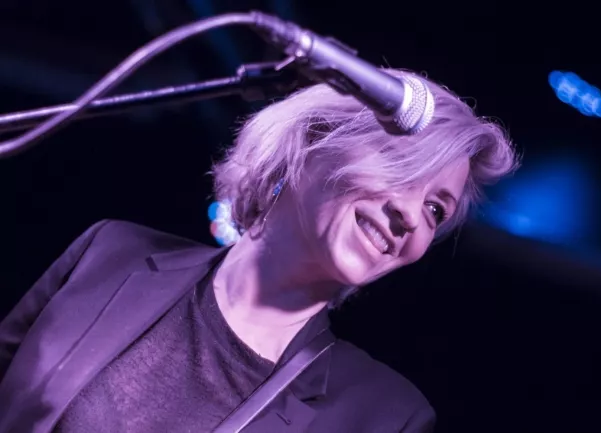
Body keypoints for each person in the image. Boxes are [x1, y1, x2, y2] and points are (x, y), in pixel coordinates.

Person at [0, 71, 518, 433]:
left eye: (435, 209)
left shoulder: (385, 417)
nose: (409, 213)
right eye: (401, 168)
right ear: (312, 141)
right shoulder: (112, 251)